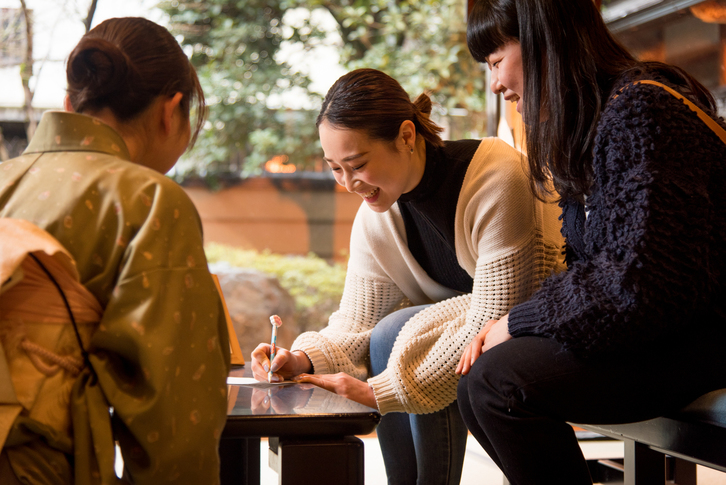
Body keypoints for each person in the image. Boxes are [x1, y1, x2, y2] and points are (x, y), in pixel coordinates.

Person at [251, 68, 565, 485]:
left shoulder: (498, 180)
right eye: (334, 168)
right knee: (384, 329)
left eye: (357, 164)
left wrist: (380, 392)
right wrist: (300, 360)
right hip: (468, 347)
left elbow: (494, 317)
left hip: (545, 326)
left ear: (406, 135)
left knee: (395, 329)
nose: (348, 183)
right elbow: (355, 322)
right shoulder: (377, 217)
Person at [456, 1, 726, 484]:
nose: (496, 83)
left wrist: (518, 321)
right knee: (482, 382)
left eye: (496, 61)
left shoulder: (644, 110)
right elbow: (597, 272)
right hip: (675, 328)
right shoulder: (601, 121)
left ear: (542, 40)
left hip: (705, 332)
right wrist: (515, 326)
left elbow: (642, 284)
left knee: (498, 383)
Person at [0, 17, 230, 484]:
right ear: (172, 110)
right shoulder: (148, 199)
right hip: (38, 466)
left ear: (69, 104)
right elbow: (175, 413)